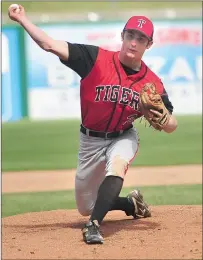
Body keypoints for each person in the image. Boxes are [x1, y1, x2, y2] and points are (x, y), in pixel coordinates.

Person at [9, 6, 178, 245]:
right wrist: (22, 18)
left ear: (148, 45)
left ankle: (94, 225)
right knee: (85, 206)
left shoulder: (152, 82)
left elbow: (172, 124)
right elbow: (49, 44)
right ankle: (128, 203)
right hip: (90, 140)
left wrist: (164, 118)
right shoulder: (94, 59)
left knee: (117, 166)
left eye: (141, 39)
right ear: (122, 36)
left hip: (123, 136)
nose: (133, 42)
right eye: (130, 35)